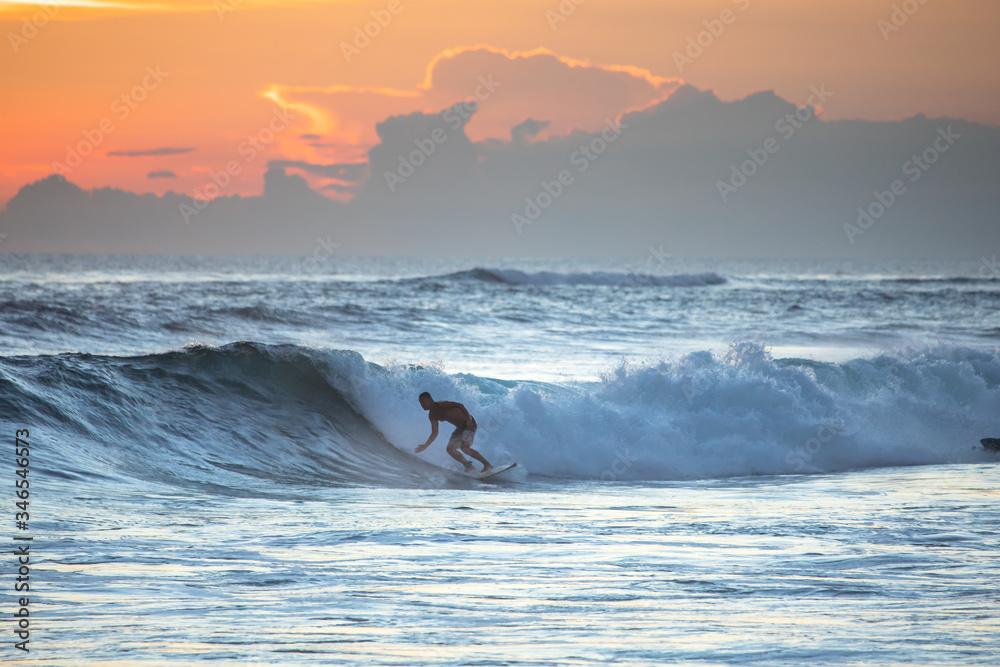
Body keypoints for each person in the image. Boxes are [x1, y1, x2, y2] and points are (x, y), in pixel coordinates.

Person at [414, 392, 492, 473]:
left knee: (465, 448)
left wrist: (468, 418)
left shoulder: (441, 404)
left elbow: (460, 405)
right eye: (420, 402)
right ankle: (469, 466)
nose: (421, 404)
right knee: (450, 449)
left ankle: (487, 465)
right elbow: (435, 432)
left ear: (430, 399)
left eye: (423, 401)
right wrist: (425, 445)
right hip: (460, 428)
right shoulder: (432, 415)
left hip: (469, 423)